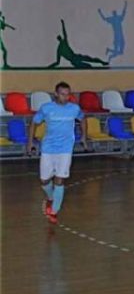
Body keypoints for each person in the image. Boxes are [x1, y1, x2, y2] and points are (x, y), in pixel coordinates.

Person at [27, 82, 88, 225]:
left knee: (59, 180)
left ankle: (54, 211)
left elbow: (83, 119)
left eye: (68, 94)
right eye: (62, 94)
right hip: (48, 148)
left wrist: (84, 137)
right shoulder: (46, 108)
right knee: (44, 180)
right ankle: (51, 197)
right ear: (56, 94)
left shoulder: (74, 108)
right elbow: (34, 123)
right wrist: (30, 142)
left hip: (65, 149)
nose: (65, 97)